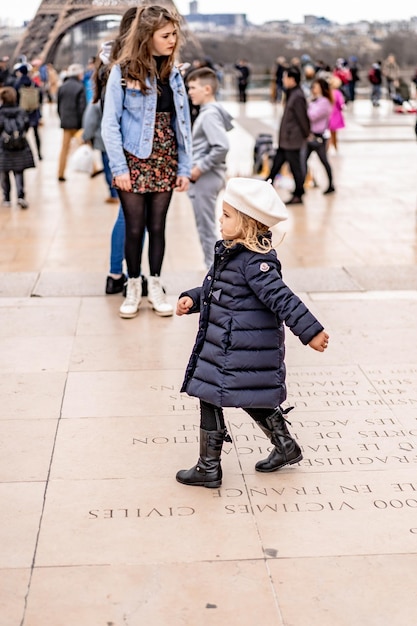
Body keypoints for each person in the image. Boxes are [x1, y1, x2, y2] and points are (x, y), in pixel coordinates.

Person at [175, 177, 329, 488]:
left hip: (238, 345)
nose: (220, 220)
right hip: (231, 343)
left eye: (227, 215)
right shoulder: (231, 252)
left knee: (210, 395)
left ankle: (209, 468)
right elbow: (216, 289)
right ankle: (285, 446)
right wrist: (194, 298)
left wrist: (310, 331)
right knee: (250, 397)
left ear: (247, 223)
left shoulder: (255, 263)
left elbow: (283, 298)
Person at [101, 5, 192, 319]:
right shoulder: (123, 71)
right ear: (147, 36)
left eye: (174, 34)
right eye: (165, 35)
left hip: (166, 157)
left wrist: (184, 166)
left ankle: (155, 284)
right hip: (134, 159)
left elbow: (184, 124)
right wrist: (119, 168)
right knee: (135, 229)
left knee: (158, 226)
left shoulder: (174, 73)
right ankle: (134, 286)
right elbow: (109, 123)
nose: (172, 39)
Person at [186, 67, 233, 269]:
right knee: (207, 226)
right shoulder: (210, 113)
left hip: (205, 178)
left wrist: (199, 168)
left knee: (206, 227)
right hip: (208, 176)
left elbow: (221, 146)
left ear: (207, 89)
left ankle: (213, 270)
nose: (189, 92)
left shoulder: (208, 115)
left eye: (193, 87)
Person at [265, 65, 310, 205]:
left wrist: (306, 134)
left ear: (292, 79)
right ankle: (266, 187)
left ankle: (299, 193)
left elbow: (302, 118)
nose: (283, 79)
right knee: (276, 165)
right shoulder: (292, 93)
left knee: (295, 167)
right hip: (286, 140)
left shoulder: (298, 96)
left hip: (292, 140)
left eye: (285, 77)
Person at [0, 86, 35, 208]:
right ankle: (20, 195)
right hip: (20, 146)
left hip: (3, 147)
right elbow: (26, 125)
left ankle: (7, 197)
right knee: (19, 171)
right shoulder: (21, 111)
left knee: (4, 173)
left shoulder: (1, 112)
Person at [305, 77, 335, 194]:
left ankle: (331, 184)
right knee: (302, 161)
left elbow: (311, 116)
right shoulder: (313, 101)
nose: (313, 89)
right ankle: (303, 183)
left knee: (324, 161)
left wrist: (306, 107)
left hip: (319, 138)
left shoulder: (325, 103)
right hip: (310, 136)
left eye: (315, 87)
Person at [57, 63, 86, 181]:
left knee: (64, 149)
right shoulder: (80, 87)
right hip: (77, 123)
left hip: (66, 122)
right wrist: (82, 123)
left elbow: (58, 106)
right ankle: (93, 168)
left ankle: (60, 173)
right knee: (85, 146)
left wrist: (62, 118)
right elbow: (82, 107)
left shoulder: (62, 87)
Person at [13, 64, 43, 161]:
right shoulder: (33, 82)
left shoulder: (18, 83)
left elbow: (15, 97)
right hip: (34, 112)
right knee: (36, 134)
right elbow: (40, 94)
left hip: (22, 112)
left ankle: (21, 153)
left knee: (22, 134)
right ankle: (39, 153)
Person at [328, 75, 346, 151]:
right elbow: (340, 103)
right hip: (336, 114)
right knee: (334, 133)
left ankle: (330, 146)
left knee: (330, 132)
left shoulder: (328, 92)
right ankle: (334, 146)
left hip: (329, 114)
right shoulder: (337, 93)